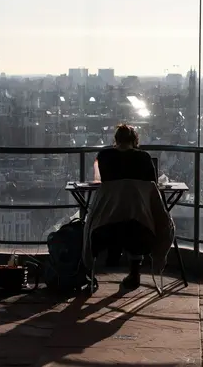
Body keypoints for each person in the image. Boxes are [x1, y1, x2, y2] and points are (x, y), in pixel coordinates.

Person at [83, 124, 167, 290]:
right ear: (135, 140)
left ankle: (89, 274)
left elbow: (104, 181)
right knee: (135, 225)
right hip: (140, 226)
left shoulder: (105, 156)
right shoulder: (144, 158)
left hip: (106, 225)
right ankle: (135, 272)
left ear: (116, 140)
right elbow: (152, 185)